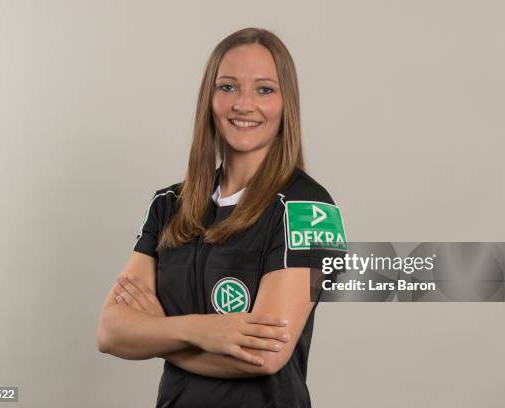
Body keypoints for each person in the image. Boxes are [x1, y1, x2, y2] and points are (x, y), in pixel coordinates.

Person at [96, 27, 346, 408]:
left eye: (264, 89)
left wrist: (159, 334)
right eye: (227, 87)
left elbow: (266, 354)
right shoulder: (168, 205)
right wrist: (201, 330)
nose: (243, 104)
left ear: (286, 103)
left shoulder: (310, 208)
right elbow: (111, 331)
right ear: (208, 99)